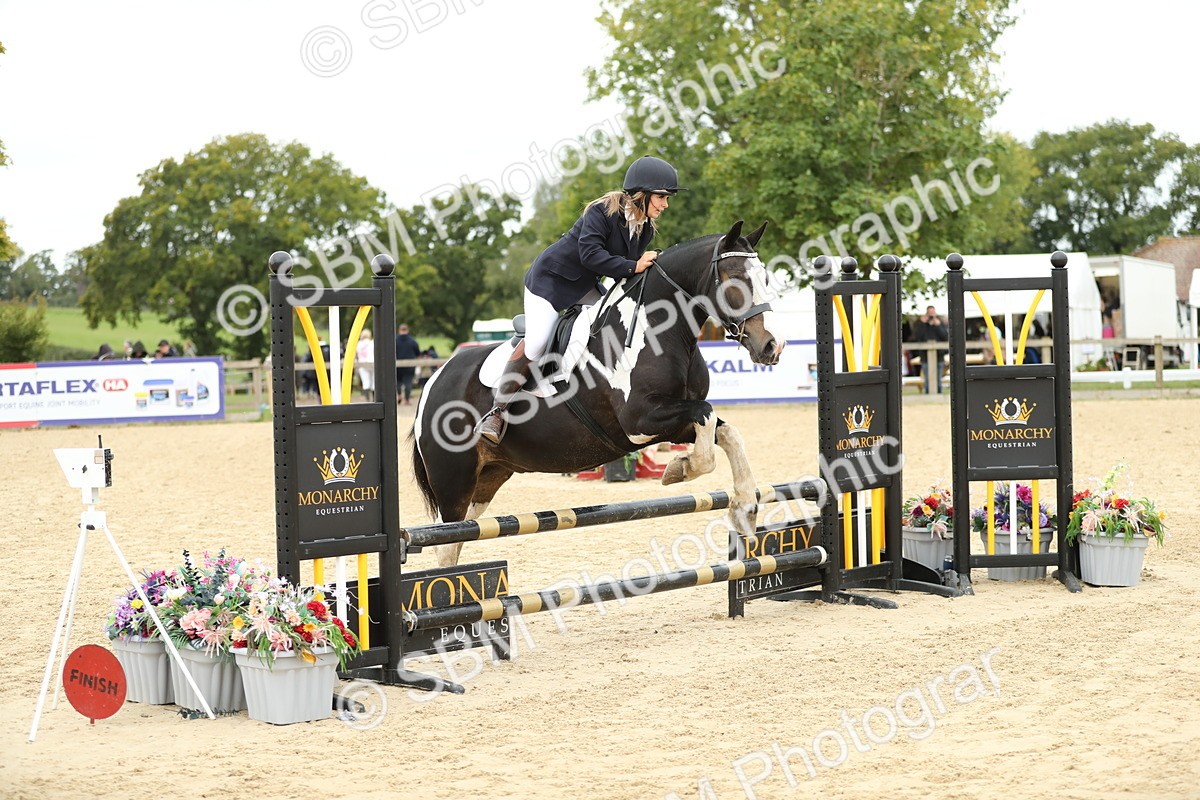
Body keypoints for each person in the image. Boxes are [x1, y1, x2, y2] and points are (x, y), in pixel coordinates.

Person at [476, 155, 682, 444]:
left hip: (585, 283)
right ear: (642, 193)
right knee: (537, 342)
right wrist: (634, 265)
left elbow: (622, 271)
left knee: (610, 325)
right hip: (551, 282)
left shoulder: (644, 227)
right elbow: (591, 255)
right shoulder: (602, 212)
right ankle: (496, 412)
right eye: (661, 197)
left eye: (667, 198)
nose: (665, 204)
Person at [913, 306, 949, 394]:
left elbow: (945, 337)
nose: (931, 315)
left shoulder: (940, 323)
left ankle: (939, 395)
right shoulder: (921, 324)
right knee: (927, 379)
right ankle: (928, 395)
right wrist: (922, 323)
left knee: (938, 379)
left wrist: (938, 325)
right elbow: (917, 336)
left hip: (939, 356)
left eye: (933, 313)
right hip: (925, 357)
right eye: (929, 313)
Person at [395, 324, 421, 405]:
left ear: (399, 330)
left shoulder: (395, 340)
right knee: (408, 382)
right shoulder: (412, 341)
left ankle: (399, 395)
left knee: (398, 381)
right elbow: (417, 353)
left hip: (397, 364)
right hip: (410, 365)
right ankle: (406, 400)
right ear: (407, 330)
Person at [356, 328, 376, 402]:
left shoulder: (358, 344)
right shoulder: (372, 343)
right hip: (371, 362)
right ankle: (374, 398)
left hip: (362, 363)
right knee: (373, 381)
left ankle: (367, 399)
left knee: (365, 382)